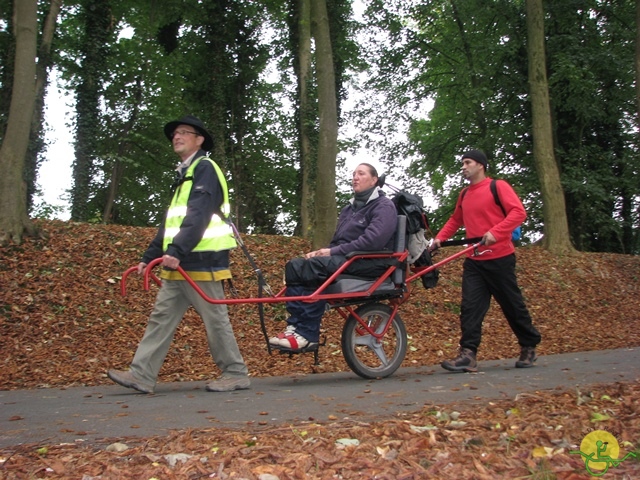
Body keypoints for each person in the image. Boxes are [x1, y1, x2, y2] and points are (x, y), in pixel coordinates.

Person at [107, 115, 250, 393]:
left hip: (203, 260)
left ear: (199, 140)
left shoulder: (204, 168)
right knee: (161, 317)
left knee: (215, 320)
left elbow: (199, 213)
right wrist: (149, 256)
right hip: (180, 262)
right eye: (175, 133)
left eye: (185, 132)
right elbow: (171, 222)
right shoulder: (184, 174)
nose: (177, 136)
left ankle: (235, 373)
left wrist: (177, 250)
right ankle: (142, 374)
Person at [430, 149, 541, 372]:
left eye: (467, 162)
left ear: (480, 165)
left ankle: (529, 345)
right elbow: (456, 220)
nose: (463, 167)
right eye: (462, 163)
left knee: (512, 305)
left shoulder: (497, 187)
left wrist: (496, 232)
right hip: (474, 260)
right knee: (470, 308)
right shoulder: (464, 194)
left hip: (500, 258)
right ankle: (468, 354)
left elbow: (518, 213)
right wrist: (439, 239)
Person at [269, 163, 398, 350]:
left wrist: (331, 253)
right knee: (296, 265)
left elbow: (373, 241)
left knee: (315, 268)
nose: (355, 177)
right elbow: (338, 242)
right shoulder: (349, 209)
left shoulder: (383, 206)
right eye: (354, 174)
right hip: (349, 257)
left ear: (374, 180)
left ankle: (307, 333)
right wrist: (320, 252)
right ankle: (295, 327)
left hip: (373, 260)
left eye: (361, 173)